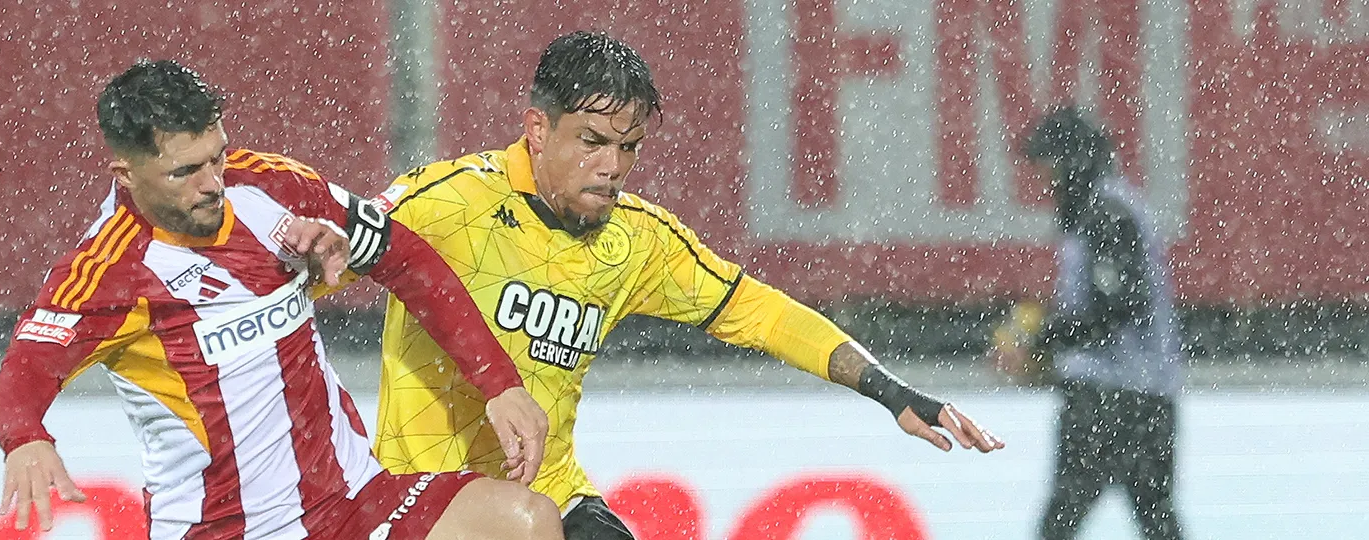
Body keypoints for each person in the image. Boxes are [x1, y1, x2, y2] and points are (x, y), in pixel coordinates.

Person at [365, 32, 1006, 540]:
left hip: (550, 497)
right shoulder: (445, 203)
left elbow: (763, 314)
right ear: (537, 129)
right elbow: (319, 264)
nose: (612, 167)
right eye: (591, 141)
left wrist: (891, 391)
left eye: (629, 147)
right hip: (425, 502)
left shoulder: (637, 241)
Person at [0, 60, 563, 540]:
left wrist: (500, 384)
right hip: (226, 529)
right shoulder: (107, 272)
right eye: (185, 171)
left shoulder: (269, 185)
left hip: (354, 503)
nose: (213, 182)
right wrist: (25, 439)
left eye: (216, 156)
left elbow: (406, 259)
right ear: (126, 174)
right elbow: (22, 376)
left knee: (527, 522)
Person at [993, 106, 1186, 540]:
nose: (1049, 188)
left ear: (1069, 165)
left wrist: (1040, 341)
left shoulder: (1106, 214)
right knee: (1157, 520)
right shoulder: (1117, 208)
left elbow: (1114, 307)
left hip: (1109, 399)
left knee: (1061, 523)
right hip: (1147, 399)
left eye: (1050, 173)